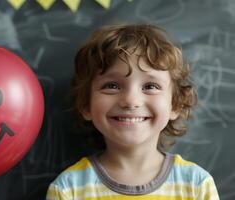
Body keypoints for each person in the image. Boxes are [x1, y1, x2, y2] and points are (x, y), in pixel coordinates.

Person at [46, 24, 219, 199]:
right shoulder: (68, 189)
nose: (131, 101)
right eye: (112, 86)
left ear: (175, 105)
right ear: (85, 105)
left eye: (150, 86)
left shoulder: (197, 185)